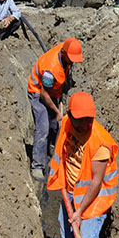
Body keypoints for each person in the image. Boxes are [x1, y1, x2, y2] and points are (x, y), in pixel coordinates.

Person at [46, 91, 119, 238]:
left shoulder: (100, 143)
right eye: (80, 123)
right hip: (69, 194)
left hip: (93, 201)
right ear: (71, 117)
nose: (84, 126)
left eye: (88, 122)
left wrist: (79, 212)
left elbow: (96, 182)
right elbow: (61, 147)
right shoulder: (66, 125)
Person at [28, 37, 84, 181]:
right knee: (44, 127)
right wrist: (58, 112)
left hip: (52, 91)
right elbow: (43, 94)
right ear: (64, 54)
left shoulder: (65, 52)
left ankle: (52, 149)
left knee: (54, 124)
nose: (72, 62)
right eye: (71, 58)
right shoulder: (50, 69)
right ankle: (38, 166)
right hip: (37, 92)